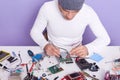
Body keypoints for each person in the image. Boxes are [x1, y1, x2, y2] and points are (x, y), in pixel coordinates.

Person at [30, 0, 110, 58]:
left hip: (77, 53)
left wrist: (88, 48)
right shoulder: (47, 8)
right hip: (52, 51)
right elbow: (35, 32)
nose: (69, 16)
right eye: (65, 10)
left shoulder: (88, 11)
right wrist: (44, 45)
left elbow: (105, 38)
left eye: (75, 11)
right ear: (58, 3)